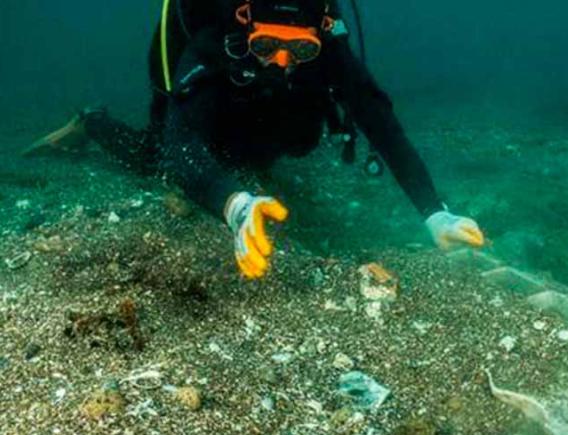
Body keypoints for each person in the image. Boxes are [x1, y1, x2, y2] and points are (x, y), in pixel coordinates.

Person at [25, 0, 485, 279]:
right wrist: (233, 204)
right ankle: (92, 123)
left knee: (284, 140)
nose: (284, 62)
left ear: (317, 40)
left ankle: (241, 159)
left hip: (259, 114)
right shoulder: (211, 40)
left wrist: (434, 212)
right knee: (156, 159)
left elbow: (380, 122)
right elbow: (182, 149)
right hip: (213, 96)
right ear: (246, 32)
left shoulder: (331, 49)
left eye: (300, 50)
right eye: (268, 47)